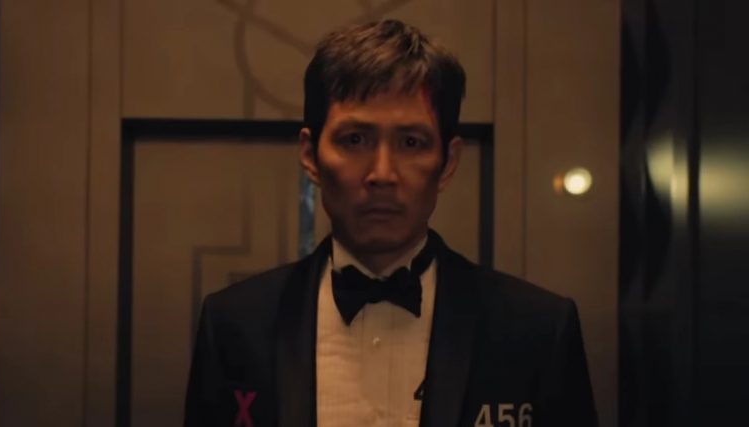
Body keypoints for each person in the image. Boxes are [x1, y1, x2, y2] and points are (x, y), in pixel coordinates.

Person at [184, 19, 597, 427]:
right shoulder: (235, 324)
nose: (382, 174)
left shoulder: (539, 329)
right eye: (355, 140)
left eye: (411, 142)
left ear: (448, 162)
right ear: (310, 156)